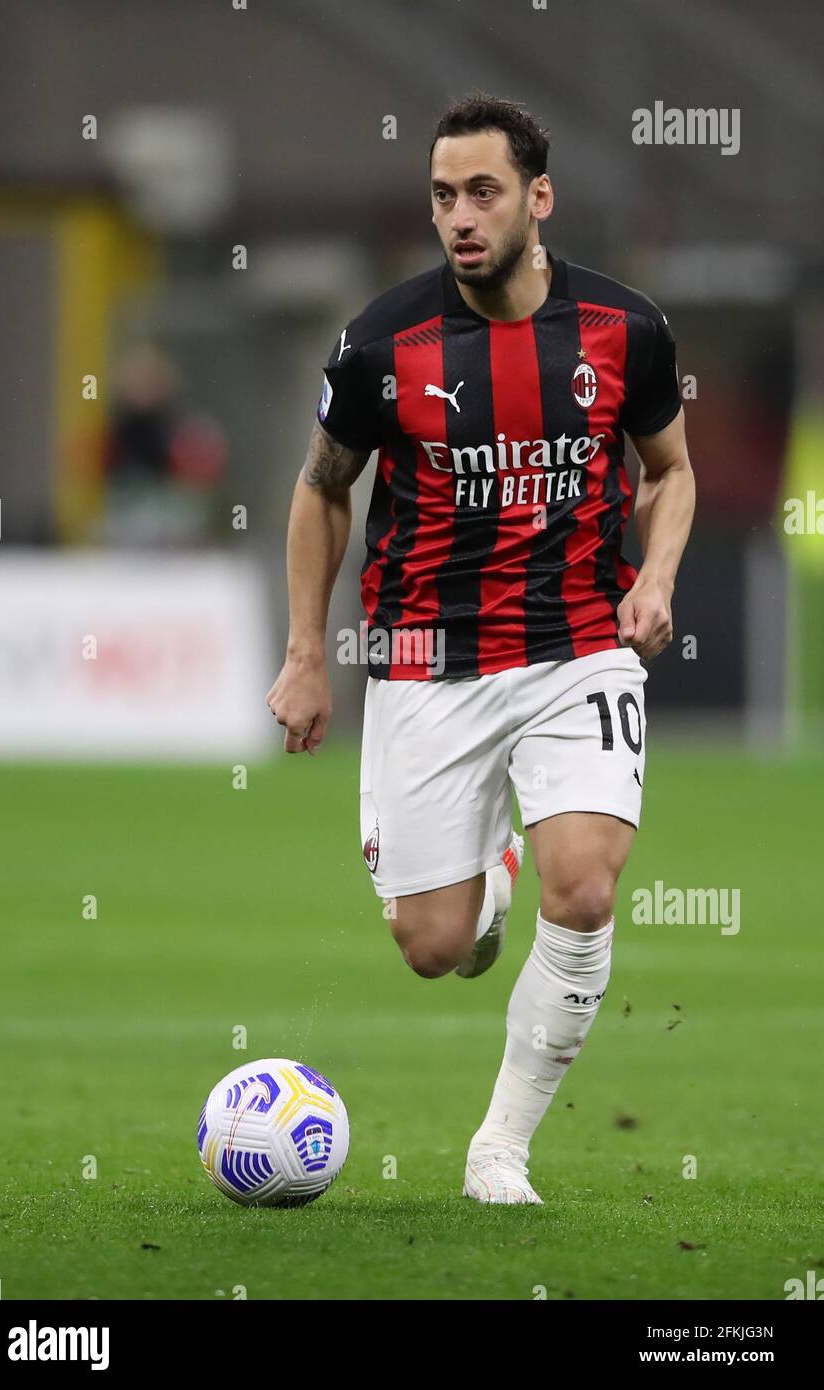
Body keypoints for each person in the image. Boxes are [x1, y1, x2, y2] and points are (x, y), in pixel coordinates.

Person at [266, 92, 695, 1204]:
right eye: (443, 196)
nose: (460, 216)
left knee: (588, 889)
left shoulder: (625, 329)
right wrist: (305, 652)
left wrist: (652, 577)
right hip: (424, 659)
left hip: (576, 644)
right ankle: (482, 889)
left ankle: (498, 1146)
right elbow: (321, 492)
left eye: (483, 192)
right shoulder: (380, 342)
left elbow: (670, 468)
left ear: (537, 199)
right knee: (431, 945)